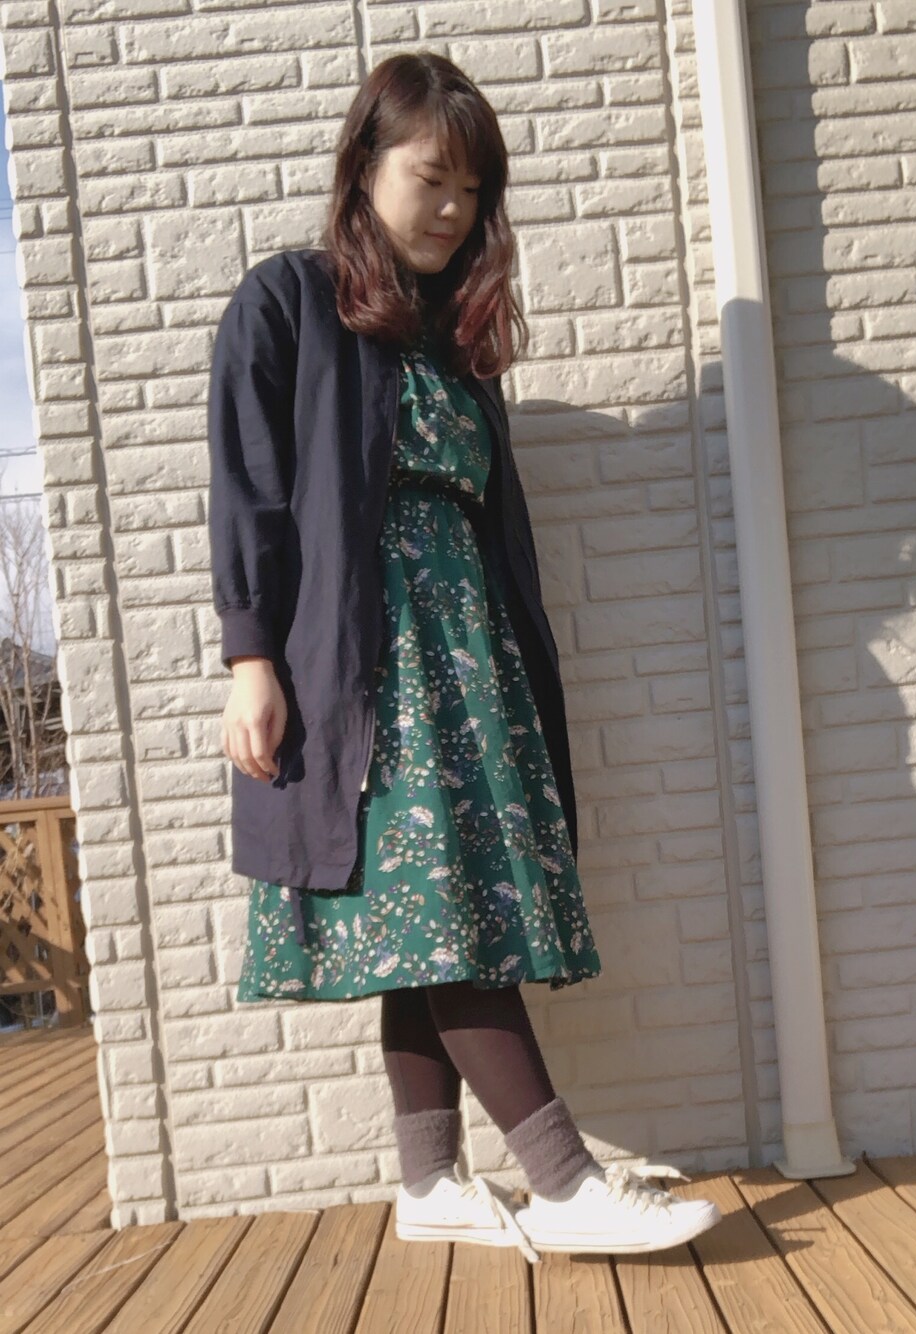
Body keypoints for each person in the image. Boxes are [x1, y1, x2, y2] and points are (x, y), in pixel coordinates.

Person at [207, 50, 722, 1260]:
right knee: (445, 907)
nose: (450, 207)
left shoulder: (453, 344)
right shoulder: (286, 302)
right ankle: (561, 1178)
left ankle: (431, 1180)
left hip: (465, 661)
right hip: (361, 665)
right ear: (364, 167)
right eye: (429, 176)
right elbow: (250, 489)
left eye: (471, 188)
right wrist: (250, 657)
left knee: (424, 914)